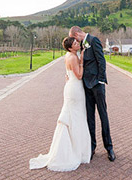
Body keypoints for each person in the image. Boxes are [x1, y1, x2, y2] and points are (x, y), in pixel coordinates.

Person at [29, 37, 91, 172]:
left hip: (71, 86)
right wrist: (81, 62)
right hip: (75, 89)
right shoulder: (74, 58)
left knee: (73, 116)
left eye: (77, 42)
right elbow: (79, 75)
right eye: (75, 43)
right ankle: (74, 150)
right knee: (75, 117)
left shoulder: (68, 55)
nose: (77, 44)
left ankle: (75, 147)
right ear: (70, 48)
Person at [69, 26, 115, 162]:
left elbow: (101, 61)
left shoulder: (93, 40)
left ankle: (109, 147)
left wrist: (101, 79)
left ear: (77, 34)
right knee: (90, 118)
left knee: (103, 115)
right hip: (86, 86)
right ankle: (91, 147)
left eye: (74, 38)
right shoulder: (82, 45)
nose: (74, 41)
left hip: (97, 85)